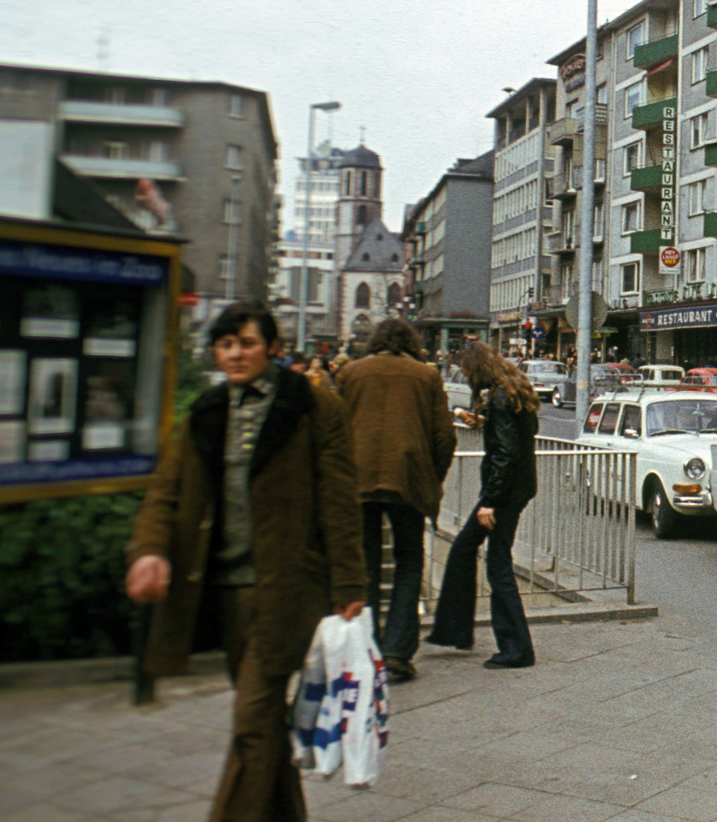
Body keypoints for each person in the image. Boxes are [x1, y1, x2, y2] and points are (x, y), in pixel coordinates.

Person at [125, 301, 365, 822]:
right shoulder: (206, 412)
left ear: (273, 348)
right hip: (225, 588)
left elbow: (339, 499)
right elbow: (166, 492)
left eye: (247, 344)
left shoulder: (312, 407)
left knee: (252, 715)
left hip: (289, 586)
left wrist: (349, 584)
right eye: (226, 344)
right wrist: (147, 551)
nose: (235, 354)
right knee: (262, 721)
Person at [336, 318, 458, 683]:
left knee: (367, 566)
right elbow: (445, 437)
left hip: (357, 482)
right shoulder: (426, 376)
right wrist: (431, 478)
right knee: (408, 562)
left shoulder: (350, 373)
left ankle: (366, 650)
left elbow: (333, 428)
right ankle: (397, 653)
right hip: (408, 480)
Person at [426, 341, 539, 669]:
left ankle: (515, 648)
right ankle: (465, 633)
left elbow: (504, 455)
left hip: (502, 493)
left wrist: (489, 502)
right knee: (478, 554)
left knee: (495, 564)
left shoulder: (500, 398)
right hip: (517, 488)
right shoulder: (513, 390)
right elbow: (520, 437)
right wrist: (483, 422)